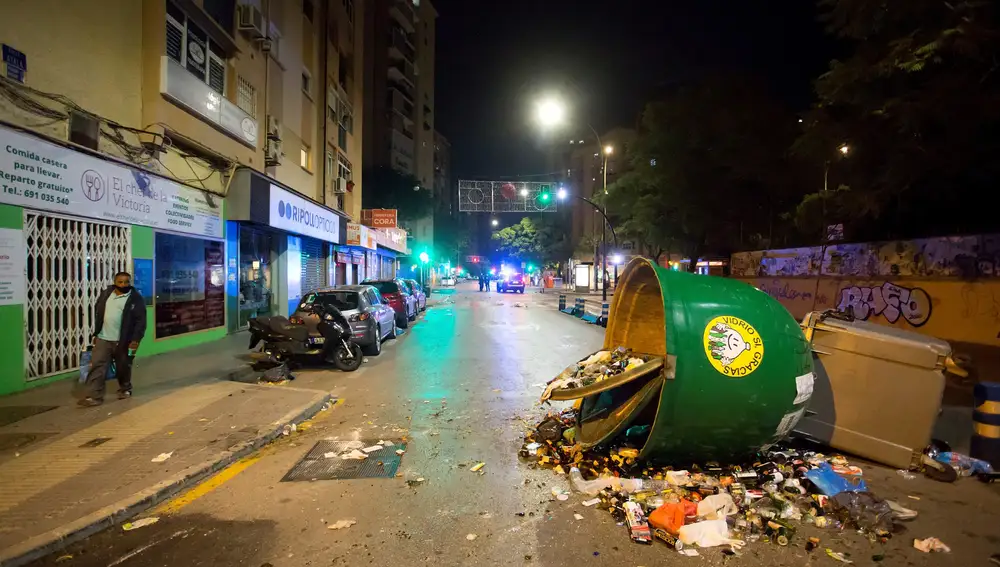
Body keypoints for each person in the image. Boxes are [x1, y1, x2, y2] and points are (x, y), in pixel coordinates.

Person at [79, 271, 147, 407]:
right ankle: (94, 396)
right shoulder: (106, 294)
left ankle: (125, 388)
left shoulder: (135, 298)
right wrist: (96, 334)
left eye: (126, 282)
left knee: (123, 366)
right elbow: (99, 314)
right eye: (120, 282)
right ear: (115, 282)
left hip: (123, 340)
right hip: (103, 338)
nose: (123, 285)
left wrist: (135, 340)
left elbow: (141, 321)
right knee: (97, 366)